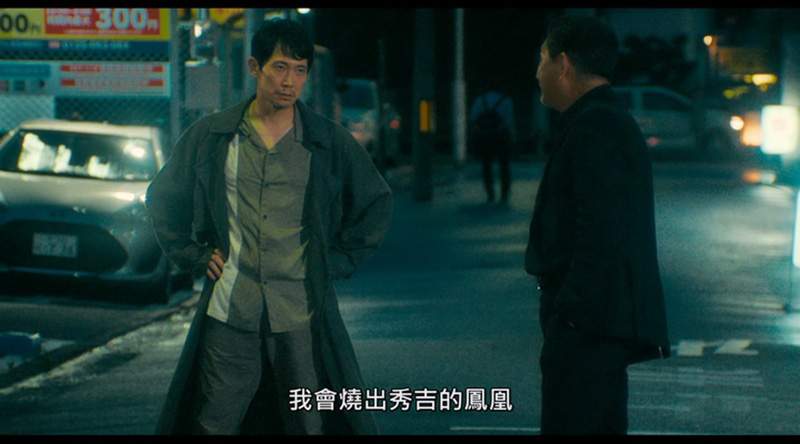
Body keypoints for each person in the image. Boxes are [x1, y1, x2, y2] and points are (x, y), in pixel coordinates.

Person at [146, 19, 392, 435]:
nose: (289, 81)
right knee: (214, 419)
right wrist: (192, 254)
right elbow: (164, 197)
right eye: (279, 67)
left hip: (299, 308)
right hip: (232, 305)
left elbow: (375, 201)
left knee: (307, 421)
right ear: (254, 67)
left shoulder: (325, 141)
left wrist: (337, 260)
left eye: (299, 70)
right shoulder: (215, 136)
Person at [525, 15, 670, 435]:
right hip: (596, 322)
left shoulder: (597, 125)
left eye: (542, 60)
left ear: (564, 64)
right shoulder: (601, 120)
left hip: (590, 326)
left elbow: (601, 231)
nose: (537, 73)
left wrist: (570, 315)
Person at [469, 88, 515, 204]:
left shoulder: (480, 100)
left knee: (486, 166)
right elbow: (509, 122)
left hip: (485, 138)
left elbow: (473, 120)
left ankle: (490, 194)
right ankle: (504, 194)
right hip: (501, 137)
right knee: (504, 166)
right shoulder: (506, 100)